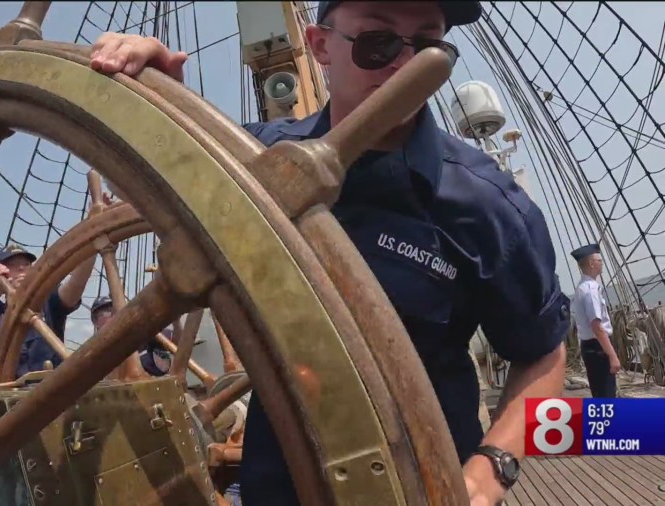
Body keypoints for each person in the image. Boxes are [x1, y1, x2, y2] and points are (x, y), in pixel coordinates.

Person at [89, 1, 571, 504]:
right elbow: (170, 173)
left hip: (423, 488)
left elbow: (543, 355)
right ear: (320, 46)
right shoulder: (251, 161)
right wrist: (156, 90)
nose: (404, 66)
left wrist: (489, 471)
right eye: (377, 42)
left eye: (428, 46)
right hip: (278, 484)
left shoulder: (489, 206)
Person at [0, 243, 96, 377]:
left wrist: (92, 241)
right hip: (12, 395)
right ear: (0, 271)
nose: (21, 268)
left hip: (54, 392)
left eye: (26, 264)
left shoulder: (50, 300)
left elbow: (77, 281)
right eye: (12, 264)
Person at [570, 243, 620, 398]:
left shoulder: (582, 287)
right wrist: (612, 355)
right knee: (606, 395)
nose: (602, 263)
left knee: (600, 394)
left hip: (590, 348)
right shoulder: (591, 290)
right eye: (600, 261)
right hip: (598, 349)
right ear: (592, 263)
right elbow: (597, 326)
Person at [90, 295, 175, 376]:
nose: (113, 314)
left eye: (113, 310)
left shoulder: (142, 336)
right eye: (106, 311)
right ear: (95, 321)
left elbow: (175, 343)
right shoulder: (93, 355)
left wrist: (176, 322)